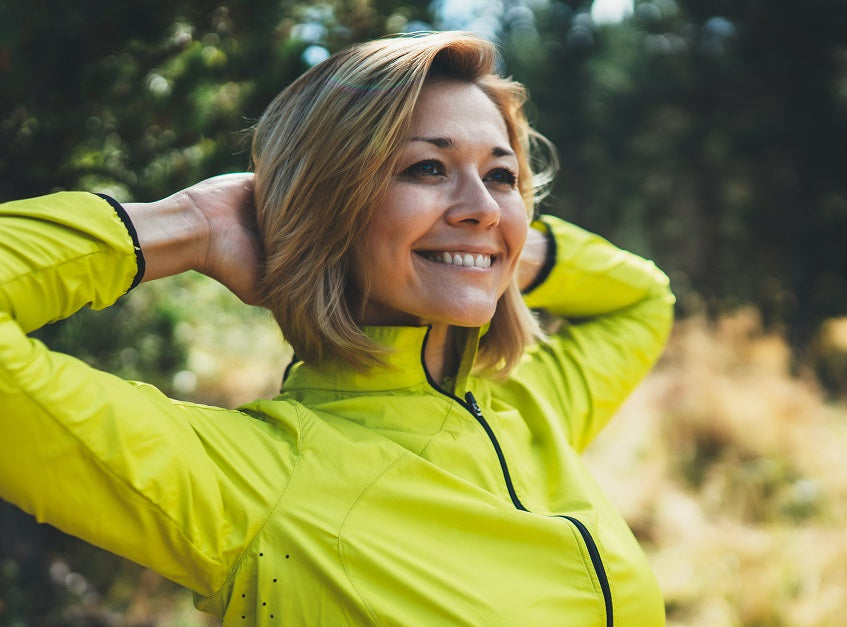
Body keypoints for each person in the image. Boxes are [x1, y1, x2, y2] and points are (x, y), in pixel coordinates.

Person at [0, 31, 674, 625]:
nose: (480, 205)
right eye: (426, 167)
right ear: (327, 203)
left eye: (501, 175)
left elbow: (643, 299)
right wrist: (189, 226)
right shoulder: (255, 485)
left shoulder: (531, 407)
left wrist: (502, 242)